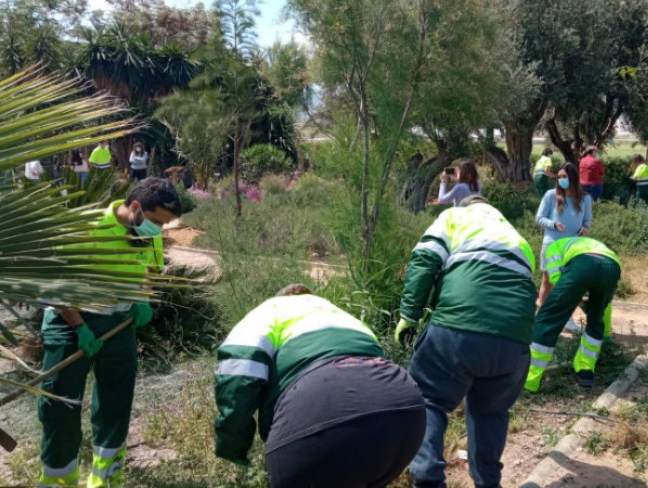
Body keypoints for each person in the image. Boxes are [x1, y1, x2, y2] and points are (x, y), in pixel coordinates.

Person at [37, 177, 182, 487]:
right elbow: (57, 283)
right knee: (59, 405)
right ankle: (58, 479)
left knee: (116, 400)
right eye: (156, 221)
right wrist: (80, 328)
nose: (158, 231)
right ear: (134, 207)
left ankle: (104, 477)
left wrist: (143, 298)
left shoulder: (148, 235)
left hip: (119, 323)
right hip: (69, 323)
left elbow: (151, 271)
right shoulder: (85, 227)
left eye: (164, 226)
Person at [215, 285, 425, 488]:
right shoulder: (341, 315)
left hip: (321, 407)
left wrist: (233, 447)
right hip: (406, 414)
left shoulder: (268, 311)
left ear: (281, 296)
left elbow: (238, 375)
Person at [395, 195, 536, 488]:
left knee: (428, 399)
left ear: (467, 205)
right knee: (491, 411)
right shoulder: (518, 238)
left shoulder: (455, 217)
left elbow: (425, 260)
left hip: (456, 330)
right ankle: (488, 483)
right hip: (515, 343)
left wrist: (409, 315)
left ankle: (428, 480)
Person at [525, 237, 621, 392]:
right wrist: (605, 333)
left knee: (547, 319)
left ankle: (529, 380)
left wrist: (574, 299)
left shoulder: (552, 248)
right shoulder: (592, 244)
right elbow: (605, 308)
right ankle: (585, 372)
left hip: (583, 265)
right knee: (596, 319)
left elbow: (556, 280)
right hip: (613, 266)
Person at [535, 163, 592, 330]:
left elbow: (587, 221)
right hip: (552, 244)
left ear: (573, 178)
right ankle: (542, 314)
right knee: (548, 281)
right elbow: (539, 218)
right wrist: (553, 224)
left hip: (573, 246)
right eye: (559, 177)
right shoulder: (550, 195)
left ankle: (566, 318)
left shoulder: (585, 198)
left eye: (564, 177)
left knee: (569, 283)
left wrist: (584, 229)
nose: (561, 180)